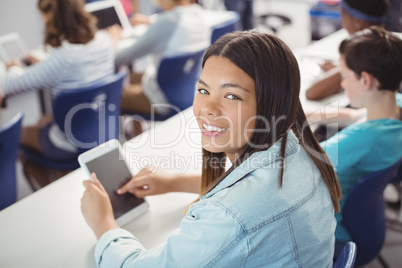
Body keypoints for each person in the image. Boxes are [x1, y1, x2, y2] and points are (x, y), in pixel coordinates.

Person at [81, 31, 342, 267]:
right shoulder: (301, 150)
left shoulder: (230, 216)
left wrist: (104, 224)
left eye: (232, 96)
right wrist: (176, 181)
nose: (207, 108)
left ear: (272, 105)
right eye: (203, 90)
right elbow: (256, 192)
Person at [318, 26, 402, 255]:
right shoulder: (394, 108)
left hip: (336, 236)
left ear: (365, 80)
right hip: (368, 226)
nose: (342, 84)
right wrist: (308, 115)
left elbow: (301, 160)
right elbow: (357, 115)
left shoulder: (358, 142)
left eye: (344, 76)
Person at [0, 0, 115, 162]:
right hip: (101, 128)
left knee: (13, 137)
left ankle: (51, 178)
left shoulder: (63, 59)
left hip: (70, 142)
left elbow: (8, 85)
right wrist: (46, 65)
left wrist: (13, 67)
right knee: (44, 121)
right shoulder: (105, 40)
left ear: (52, 18)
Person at [110, 0, 211, 116]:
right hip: (185, 90)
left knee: (110, 97)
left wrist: (114, 41)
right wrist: (150, 21)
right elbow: (171, 21)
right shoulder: (199, 15)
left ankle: (128, 132)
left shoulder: (166, 22)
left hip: (159, 98)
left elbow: (120, 58)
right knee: (131, 77)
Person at [305, 0, 390, 101]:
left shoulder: (366, 55)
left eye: (343, 17)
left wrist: (343, 70)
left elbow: (311, 93)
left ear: (358, 22)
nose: (343, 25)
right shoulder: (391, 45)